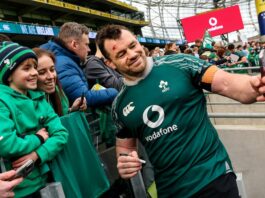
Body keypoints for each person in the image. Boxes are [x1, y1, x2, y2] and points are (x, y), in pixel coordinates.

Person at [96, 24, 265, 197]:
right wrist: (125, 164)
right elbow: (124, 150)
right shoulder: (119, 106)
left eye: (133, 46)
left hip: (213, 178)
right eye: (122, 54)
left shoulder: (181, 64)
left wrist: (254, 86)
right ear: (109, 62)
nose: (132, 55)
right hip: (169, 191)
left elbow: (229, 83)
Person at [0, 41, 68, 197]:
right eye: (26, 68)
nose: (35, 73)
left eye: (34, 67)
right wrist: (39, 138)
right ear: (9, 75)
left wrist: (37, 155)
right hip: (16, 190)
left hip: (45, 181)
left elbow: (61, 134)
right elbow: (6, 144)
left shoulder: (39, 98)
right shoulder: (2, 101)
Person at [41, 22, 118, 107]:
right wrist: (113, 92)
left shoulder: (64, 59)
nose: (89, 49)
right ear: (74, 44)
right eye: (86, 44)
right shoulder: (64, 64)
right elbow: (83, 98)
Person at [33, 48, 87, 116]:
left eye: (52, 70)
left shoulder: (58, 92)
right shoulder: (27, 105)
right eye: (42, 72)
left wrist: (72, 110)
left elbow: (60, 117)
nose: (51, 76)